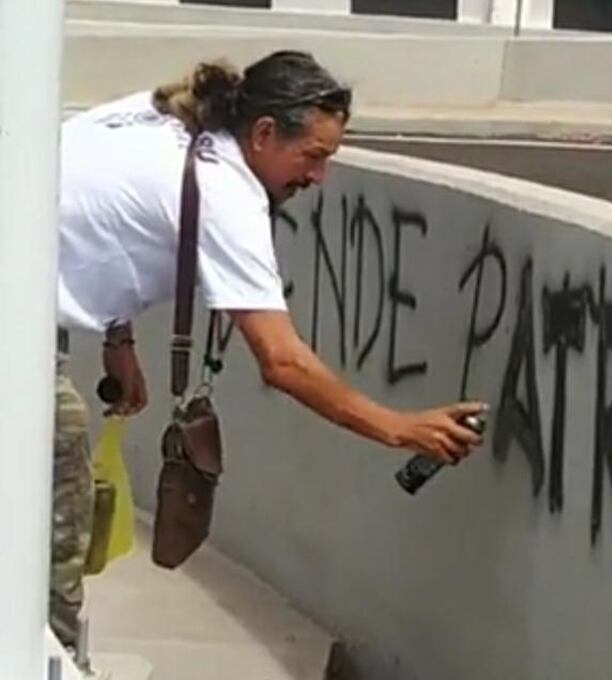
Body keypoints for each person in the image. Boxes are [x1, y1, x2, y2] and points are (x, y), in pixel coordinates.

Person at [53, 50, 485, 667]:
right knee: (53, 526)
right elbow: (281, 361)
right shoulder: (226, 193)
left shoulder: (161, 119)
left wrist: (117, 338)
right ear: (261, 134)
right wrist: (399, 427)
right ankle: (50, 655)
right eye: (314, 156)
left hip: (26, 314)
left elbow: (86, 215)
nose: (318, 178)